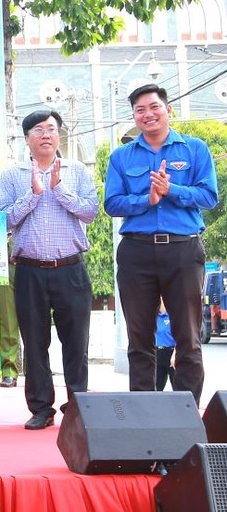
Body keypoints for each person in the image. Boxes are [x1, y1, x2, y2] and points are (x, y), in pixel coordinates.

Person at [105, 84, 218, 402]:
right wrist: (147, 199)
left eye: (154, 107)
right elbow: (112, 204)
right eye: (140, 110)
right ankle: (143, 418)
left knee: (188, 338)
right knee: (139, 339)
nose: (148, 114)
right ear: (135, 118)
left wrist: (173, 191)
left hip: (182, 249)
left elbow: (209, 196)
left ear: (169, 110)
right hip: (136, 251)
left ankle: (185, 417)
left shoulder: (194, 149)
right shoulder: (121, 157)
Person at [0, 109, 98, 429]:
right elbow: (4, 221)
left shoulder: (77, 171)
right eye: (38, 130)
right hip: (29, 270)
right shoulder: (13, 175)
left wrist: (59, 190)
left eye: (52, 129)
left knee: (76, 341)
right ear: (27, 138)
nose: (46, 134)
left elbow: (90, 212)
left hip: (71, 268)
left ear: (59, 136)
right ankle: (41, 408)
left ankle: (78, 404)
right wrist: (33, 194)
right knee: (35, 341)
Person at [156, 309, 175, 391]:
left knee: (176, 386)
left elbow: (181, 336)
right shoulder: (155, 316)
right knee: (156, 387)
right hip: (158, 352)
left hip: (171, 352)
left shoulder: (173, 316)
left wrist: (175, 354)